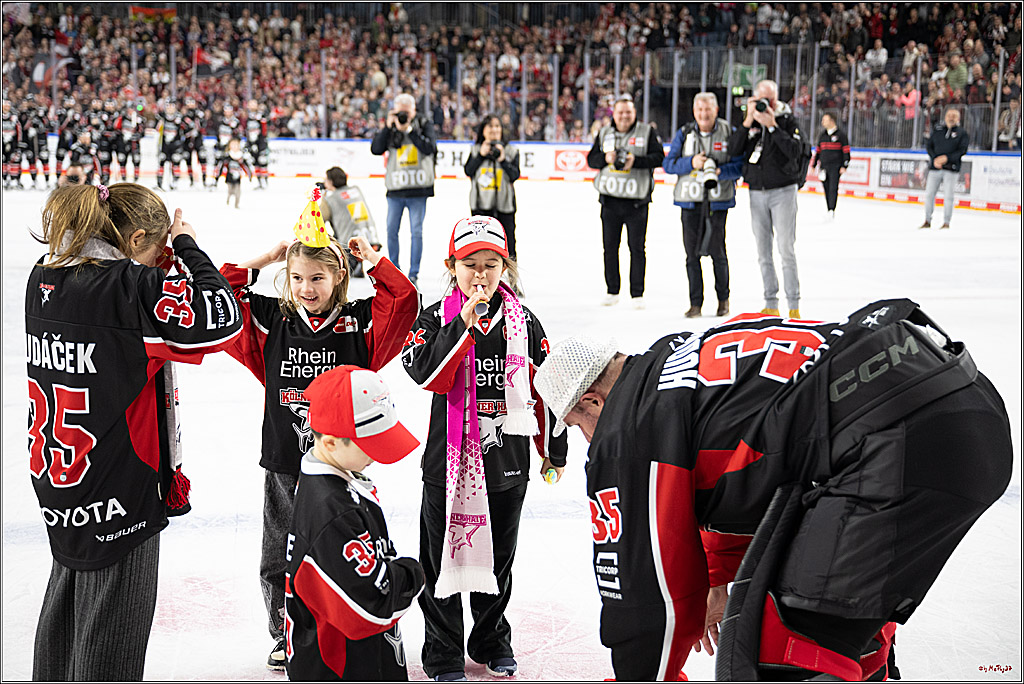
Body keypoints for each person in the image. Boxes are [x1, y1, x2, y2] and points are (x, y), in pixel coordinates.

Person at [534, 301, 1011, 682]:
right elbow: (752, 463)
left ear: (592, 401)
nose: (585, 439)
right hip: (961, 399)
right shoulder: (682, 355)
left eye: (577, 423)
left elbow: (642, 594)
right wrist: (721, 579)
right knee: (840, 617)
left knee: (773, 651)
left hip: (898, 444)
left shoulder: (628, 431)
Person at [27, 184, 244, 680]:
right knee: (112, 646)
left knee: (64, 619)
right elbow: (220, 320)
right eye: (157, 251)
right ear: (136, 238)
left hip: (62, 485)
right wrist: (189, 248)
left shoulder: (46, 275)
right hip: (119, 488)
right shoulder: (126, 288)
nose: (158, 264)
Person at [219, 230, 418, 670]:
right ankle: (283, 631)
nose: (305, 288)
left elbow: (404, 302)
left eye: (317, 278)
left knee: (348, 543)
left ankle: (348, 613)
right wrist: (264, 258)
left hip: (343, 465)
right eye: (295, 277)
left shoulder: (359, 322)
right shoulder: (272, 319)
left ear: (340, 277)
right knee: (279, 550)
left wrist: (374, 260)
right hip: (285, 460)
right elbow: (217, 295)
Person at [401, 216, 567, 682]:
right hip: (447, 467)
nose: (480, 274)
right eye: (469, 264)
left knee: (499, 564)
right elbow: (425, 374)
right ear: (451, 266)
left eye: (490, 264)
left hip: (507, 466)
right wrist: (462, 327)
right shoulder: (435, 317)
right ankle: (442, 652)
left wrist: (553, 447)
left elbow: (549, 386)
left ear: (505, 267)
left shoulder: (525, 322)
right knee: (439, 564)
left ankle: (491, 640)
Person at [284, 365, 424, 680]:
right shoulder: (333, 512)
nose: (376, 455)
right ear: (331, 442)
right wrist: (413, 574)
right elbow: (371, 606)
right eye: (370, 444)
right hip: (342, 668)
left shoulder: (326, 476)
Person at [729, 79, 807, 319]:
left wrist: (772, 126)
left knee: (786, 249)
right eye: (761, 100)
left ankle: (793, 305)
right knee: (763, 251)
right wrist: (747, 122)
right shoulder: (750, 122)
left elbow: (795, 151)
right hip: (756, 192)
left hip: (783, 191)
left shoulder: (787, 120)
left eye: (769, 100)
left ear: (776, 99)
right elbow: (733, 150)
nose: (766, 104)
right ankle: (770, 302)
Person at [663, 92, 744, 319]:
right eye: (699, 110)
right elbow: (668, 164)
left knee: (718, 252)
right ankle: (695, 303)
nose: (703, 114)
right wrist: (692, 163)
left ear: (716, 110)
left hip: (718, 201)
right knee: (691, 255)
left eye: (707, 109)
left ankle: (723, 300)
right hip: (689, 201)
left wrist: (720, 171)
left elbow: (740, 165)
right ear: (693, 112)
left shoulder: (730, 132)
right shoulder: (684, 133)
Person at [586, 94, 665, 309]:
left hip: (637, 202)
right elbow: (591, 160)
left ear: (635, 113)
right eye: (620, 112)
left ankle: (637, 293)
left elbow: (659, 158)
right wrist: (606, 158)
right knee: (610, 248)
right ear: (614, 113)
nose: (624, 116)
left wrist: (635, 161)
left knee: (637, 248)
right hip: (610, 201)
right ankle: (612, 290)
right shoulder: (604, 132)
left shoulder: (646, 132)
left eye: (628, 112)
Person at [370, 93, 438, 287]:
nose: (403, 116)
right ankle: (395, 270)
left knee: (416, 232)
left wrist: (409, 130)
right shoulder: (391, 128)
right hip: (396, 189)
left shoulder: (424, 123)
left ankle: (414, 273)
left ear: (414, 110)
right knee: (391, 230)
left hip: (418, 189)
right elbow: (376, 148)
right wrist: (388, 126)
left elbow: (430, 147)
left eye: (406, 113)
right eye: (400, 112)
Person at [464, 114, 521, 259]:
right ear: (483, 130)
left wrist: (503, 160)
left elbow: (515, 175)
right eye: (490, 126)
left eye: (497, 126)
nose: (494, 129)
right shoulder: (476, 150)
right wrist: (481, 156)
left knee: (509, 244)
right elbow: (468, 171)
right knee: (481, 244)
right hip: (481, 204)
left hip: (505, 205)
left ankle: (512, 280)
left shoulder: (510, 151)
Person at [320, 166, 382, 278]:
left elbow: (318, 219)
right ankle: (355, 263)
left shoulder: (331, 198)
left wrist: (323, 196)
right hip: (370, 240)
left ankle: (350, 262)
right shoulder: (356, 190)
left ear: (330, 182)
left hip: (349, 244)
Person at [919, 107, 970, 230]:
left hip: (951, 170)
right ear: (945, 116)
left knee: (948, 196)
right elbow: (929, 145)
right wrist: (935, 159)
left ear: (958, 118)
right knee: (930, 194)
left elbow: (962, 151)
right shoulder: (938, 130)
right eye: (949, 115)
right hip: (935, 168)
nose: (951, 117)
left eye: (954, 115)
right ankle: (927, 220)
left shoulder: (962, 133)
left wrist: (946, 158)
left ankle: (946, 222)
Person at [811, 112, 851, 220]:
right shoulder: (822, 135)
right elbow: (818, 151)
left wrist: (844, 165)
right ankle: (828, 208)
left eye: (825, 120)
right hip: (824, 166)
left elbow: (846, 151)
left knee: (833, 188)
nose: (823, 122)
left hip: (836, 166)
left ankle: (832, 209)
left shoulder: (841, 135)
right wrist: (814, 165)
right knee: (826, 188)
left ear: (832, 121)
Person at [216, 138, 253, 209]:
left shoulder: (241, 157)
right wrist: (218, 177)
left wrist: (250, 176)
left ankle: (236, 204)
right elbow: (221, 166)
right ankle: (228, 203)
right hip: (229, 178)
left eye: (236, 145)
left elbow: (246, 167)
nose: (234, 147)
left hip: (237, 179)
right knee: (230, 192)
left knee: (238, 192)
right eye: (233, 145)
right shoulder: (227, 156)